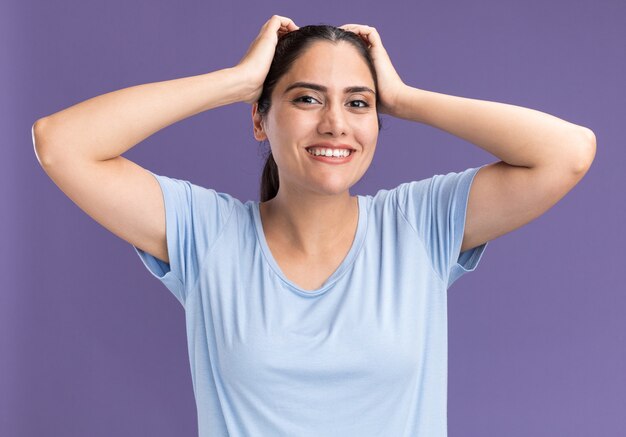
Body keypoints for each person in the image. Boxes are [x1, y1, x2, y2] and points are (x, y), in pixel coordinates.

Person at [32, 14, 596, 437]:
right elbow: (61, 144)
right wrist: (236, 80)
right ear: (260, 117)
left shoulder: (419, 226)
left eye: (357, 104)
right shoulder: (205, 234)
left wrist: (403, 97)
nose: (334, 124)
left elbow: (568, 152)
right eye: (306, 98)